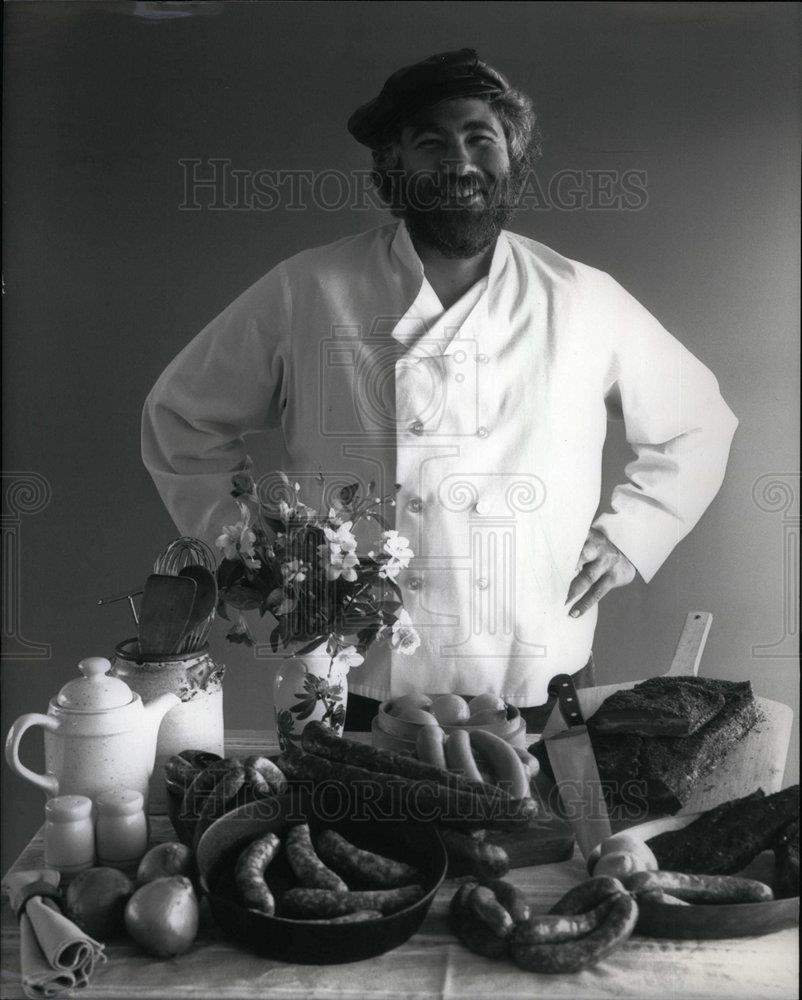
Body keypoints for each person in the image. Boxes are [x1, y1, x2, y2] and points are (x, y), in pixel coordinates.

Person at [142, 49, 737, 731]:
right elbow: (179, 417)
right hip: (350, 674)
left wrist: (634, 536)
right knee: (345, 834)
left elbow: (699, 421)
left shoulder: (581, 298)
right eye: (432, 143)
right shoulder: (311, 288)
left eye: (481, 138)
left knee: (544, 833)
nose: (460, 162)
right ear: (395, 166)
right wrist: (257, 554)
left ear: (511, 159)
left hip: (533, 665)